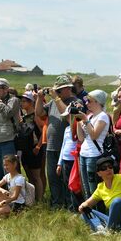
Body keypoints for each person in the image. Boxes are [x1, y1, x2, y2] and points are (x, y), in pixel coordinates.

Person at [35, 74, 78, 208]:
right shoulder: (54, 102)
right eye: (58, 89)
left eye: (62, 89)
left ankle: (68, 204)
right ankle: (56, 204)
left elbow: (67, 115)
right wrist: (39, 98)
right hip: (51, 146)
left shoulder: (73, 101)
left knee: (65, 179)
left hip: (65, 148)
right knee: (52, 177)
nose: (60, 92)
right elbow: (39, 113)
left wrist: (56, 98)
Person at [78, 157, 121, 234]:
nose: (108, 169)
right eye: (104, 168)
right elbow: (88, 203)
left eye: (110, 166)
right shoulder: (100, 187)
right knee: (85, 213)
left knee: (117, 202)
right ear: (98, 173)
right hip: (118, 224)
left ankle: (108, 231)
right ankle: (102, 229)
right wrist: (83, 206)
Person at [74, 90, 110, 200]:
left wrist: (85, 119)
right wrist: (78, 120)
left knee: (93, 188)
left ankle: (99, 215)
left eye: (89, 100)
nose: (86, 103)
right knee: (85, 188)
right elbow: (81, 138)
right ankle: (90, 214)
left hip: (94, 156)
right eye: (86, 101)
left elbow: (94, 135)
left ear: (97, 102)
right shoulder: (90, 116)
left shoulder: (103, 116)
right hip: (84, 154)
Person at [0, 78, 20, 185]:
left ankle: (12, 200)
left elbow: (8, 114)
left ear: (5, 89)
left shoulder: (13, 100)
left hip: (7, 142)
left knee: (9, 175)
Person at [19, 91, 46, 201]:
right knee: (29, 176)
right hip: (26, 150)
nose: (22, 103)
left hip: (35, 149)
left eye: (24, 101)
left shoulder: (36, 115)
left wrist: (38, 146)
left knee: (36, 176)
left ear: (31, 102)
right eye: (22, 101)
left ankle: (39, 199)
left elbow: (43, 131)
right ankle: (32, 198)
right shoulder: (23, 116)